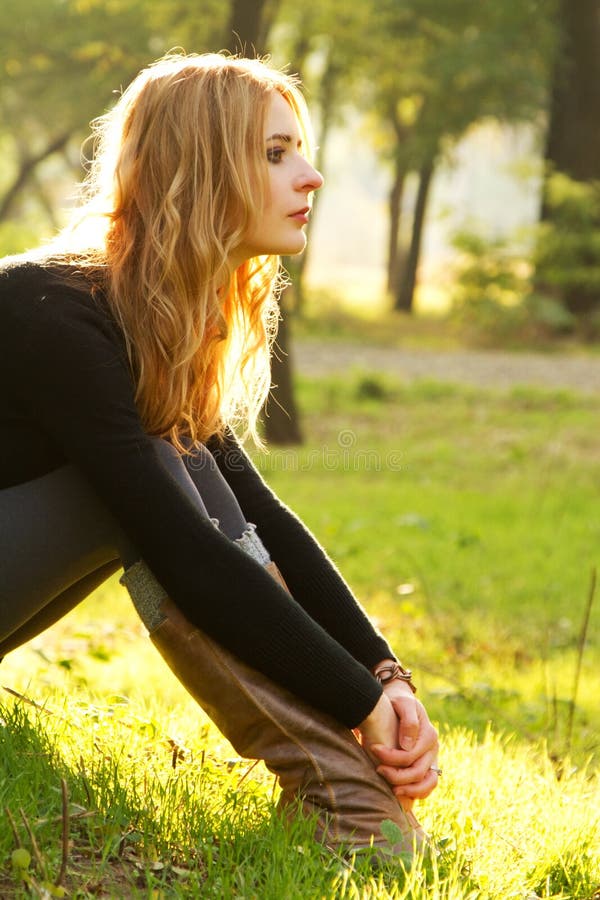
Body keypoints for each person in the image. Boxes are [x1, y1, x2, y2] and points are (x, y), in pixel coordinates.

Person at [0, 52, 439, 859]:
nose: (309, 176)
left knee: (181, 456)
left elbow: (262, 513)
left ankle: (347, 795)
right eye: (276, 154)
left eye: (299, 151)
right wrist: (357, 702)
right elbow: (183, 551)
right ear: (197, 166)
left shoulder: (148, 310)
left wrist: (384, 674)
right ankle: (343, 801)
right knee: (149, 482)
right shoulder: (50, 308)